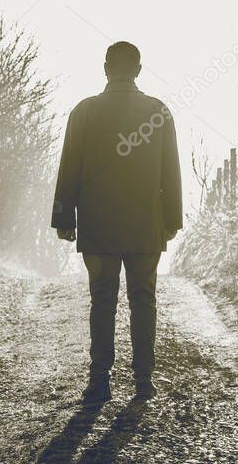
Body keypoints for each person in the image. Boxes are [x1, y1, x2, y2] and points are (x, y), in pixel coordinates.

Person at [51, 41, 183, 405]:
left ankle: (99, 381)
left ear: (105, 68)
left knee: (102, 300)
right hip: (144, 225)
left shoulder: (84, 112)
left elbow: (69, 170)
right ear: (139, 71)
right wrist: (171, 220)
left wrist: (64, 217)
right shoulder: (158, 112)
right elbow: (170, 171)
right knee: (144, 300)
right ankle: (143, 381)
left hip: (98, 225)